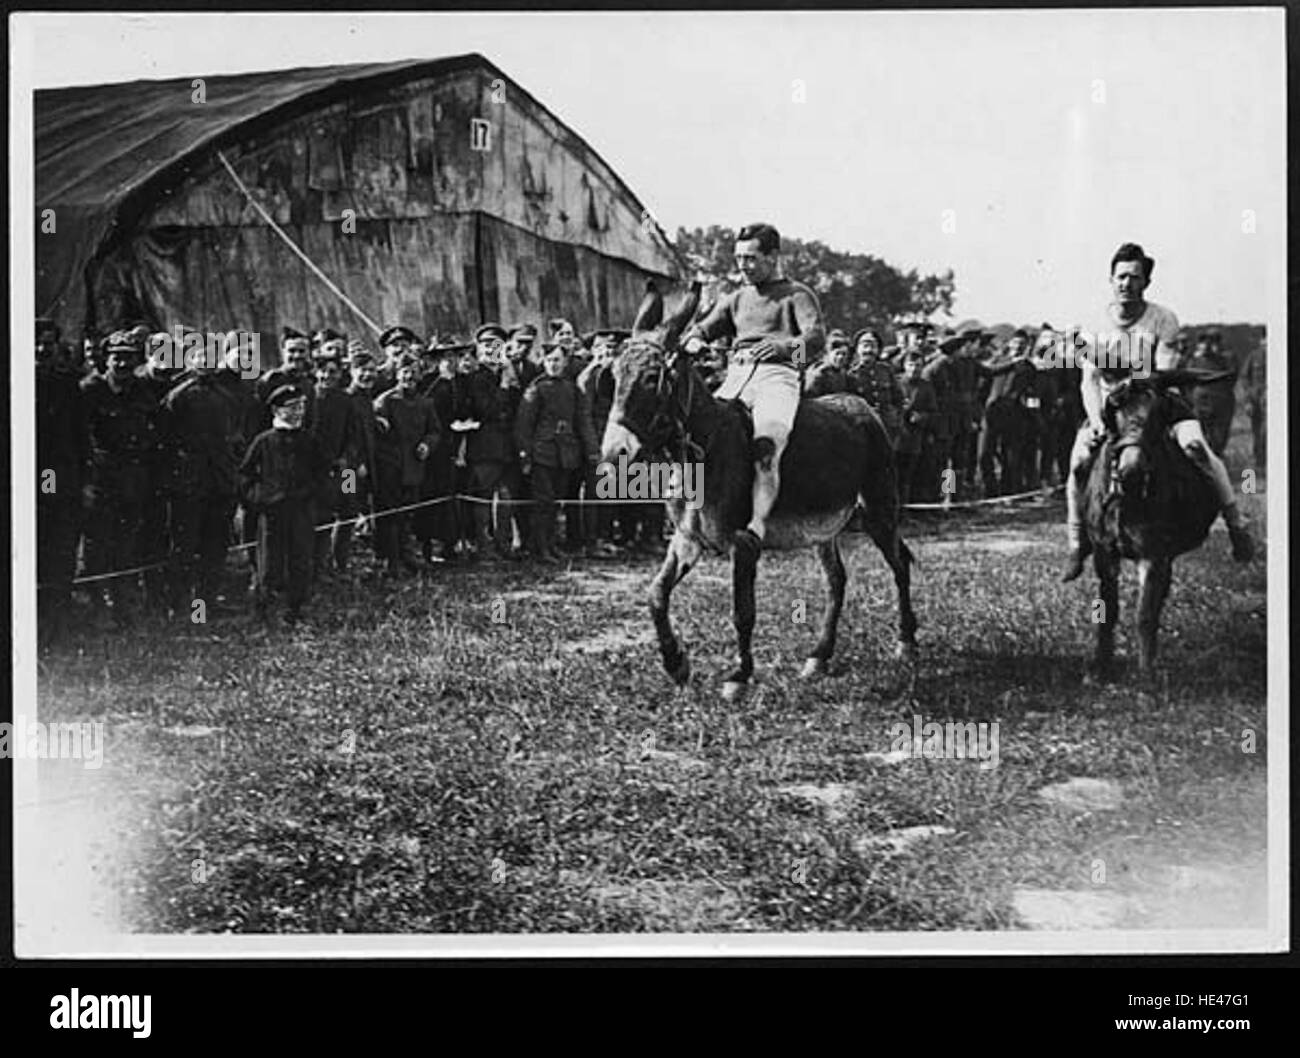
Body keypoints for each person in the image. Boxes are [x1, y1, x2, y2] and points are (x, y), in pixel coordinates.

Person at [1061, 242, 1254, 581]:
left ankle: (1236, 524)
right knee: (1078, 461)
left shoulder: (1163, 319)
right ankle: (1077, 543)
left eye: (1134, 277)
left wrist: (1117, 371)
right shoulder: (1092, 322)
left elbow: (1159, 376)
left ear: (1146, 283)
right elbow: (1088, 381)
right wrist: (1095, 421)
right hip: (1109, 409)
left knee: (1197, 449)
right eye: (1120, 277)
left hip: (1158, 404)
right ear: (1110, 279)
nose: (1126, 284)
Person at [681, 222, 826, 558]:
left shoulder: (797, 294)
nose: (742, 266)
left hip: (778, 378)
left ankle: (757, 524)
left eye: (750, 258)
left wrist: (784, 349)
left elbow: (815, 342)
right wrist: (695, 341)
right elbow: (703, 328)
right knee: (698, 438)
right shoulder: (735, 299)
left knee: (766, 447)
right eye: (738, 258)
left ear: (773, 257)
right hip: (737, 376)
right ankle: (693, 517)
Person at [79, 329, 162, 622]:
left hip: (133, 479)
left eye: (128, 358)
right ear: (106, 359)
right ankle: (98, 606)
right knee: (98, 544)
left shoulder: (142, 391)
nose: (123, 365)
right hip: (101, 479)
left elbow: (153, 431)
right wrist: (85, 483)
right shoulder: (91, 390)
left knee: (127, 543)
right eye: (117, 358)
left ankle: (123, 604)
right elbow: (78, 439)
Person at [241, 387, 328, 626]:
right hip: (271, 513)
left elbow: (322, 473)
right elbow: (245, 474)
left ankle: (295, 610)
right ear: (277, 411)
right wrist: (259, 498)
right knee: (269, 561)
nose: (298, 412)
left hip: (301, 510)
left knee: (300, 558)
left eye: (301, 407)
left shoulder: (309, 440)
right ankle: (263, 610)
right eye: (291, 408)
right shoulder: (264, 441)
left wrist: (310, 493)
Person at [515, 344, 599, 563]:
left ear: (565, 363)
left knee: (557, 502)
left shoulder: (572, 389)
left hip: (567, 454)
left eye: (558, 360)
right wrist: (525, 455)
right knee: (544, 502)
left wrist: (591, 451)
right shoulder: (536, 389)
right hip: (542, 453)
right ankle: (540, 548)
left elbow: (582, 422)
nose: (553, 364)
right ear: (543, 362)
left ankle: (551, 545)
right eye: (549, 360)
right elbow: (523, 426)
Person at [37, 319, 88, 642]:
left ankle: (59, 612)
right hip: (37, 476)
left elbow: (80, 435)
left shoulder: (68, 384)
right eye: (37, 344)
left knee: (61, 545)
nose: (42, 350)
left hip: (58, 475)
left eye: (49, 344)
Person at [373, 354, 441, 577]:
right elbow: (377, 432)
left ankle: (408, 555)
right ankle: (391, 561)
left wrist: (427, 445)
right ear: (396, 374)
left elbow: (435, 431)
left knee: (408, 512)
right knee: (391, 514)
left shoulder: (425, 403)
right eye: (404, 371)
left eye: (413, 371)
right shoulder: (385, 401)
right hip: (390, 468)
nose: (409, 376)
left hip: (414, 467)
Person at [462, 324, 525, 560]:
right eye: (487, 345)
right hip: (485, 446)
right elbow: (485, 409)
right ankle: (483, 547)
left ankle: (504, 544)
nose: (491, 350)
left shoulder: (508, 374)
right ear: (479, 349)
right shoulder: (476, 378)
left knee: (506, 497)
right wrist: (504, 387)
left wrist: (509, 383)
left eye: (497, 345)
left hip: (508, 445)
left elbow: (519, 408)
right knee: (483, 498)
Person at [309, 345, 363, 576]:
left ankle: (341, 562)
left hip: (345, 471)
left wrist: (347, 459)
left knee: (348, 510)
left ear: (340, 374)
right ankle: (319, 566)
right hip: (319, 470)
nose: (327, 376)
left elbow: (354, 435)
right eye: (322, 371)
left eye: (332, 372)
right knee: (322, 515)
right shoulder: (309, 398)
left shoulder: (346, 400)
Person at [895, 348, 938, 505]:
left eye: (918, 365)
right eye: (911, 365)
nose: (914, 369)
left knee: (912, 477)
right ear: (905, 366)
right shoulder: (895, 383)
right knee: (893, 476)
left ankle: (948, 499)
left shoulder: (926, 387)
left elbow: (934, 411)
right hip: (895, 437)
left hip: (916, 438)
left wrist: (922, 417)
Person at [1185, 328, 1237, 457]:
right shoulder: (1194, 361)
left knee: (1219, 437)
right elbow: (1187, 382)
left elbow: (1232, 377)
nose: (1209, 345)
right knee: (1201, 434)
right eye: (1205, 341)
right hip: (1201, 402)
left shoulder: (1226, 359)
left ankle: (1216, 457)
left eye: (1214, 341)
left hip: (1221, 402)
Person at [845, 328, 903, 439]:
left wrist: (896, 420)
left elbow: (898, 398)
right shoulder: (850, 374)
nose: (869, 350)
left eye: (873, 346)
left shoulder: (886, 370)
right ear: (857, 349)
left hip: (887, 428)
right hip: (862, 429)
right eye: (865, 346)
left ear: (878, 350)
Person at [1238, 335, 1266, 468]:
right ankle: (1259, 461)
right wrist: (1248, 400)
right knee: (1258, 431)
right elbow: (1245, 378)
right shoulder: (1254, 356)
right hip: (1257, 401)